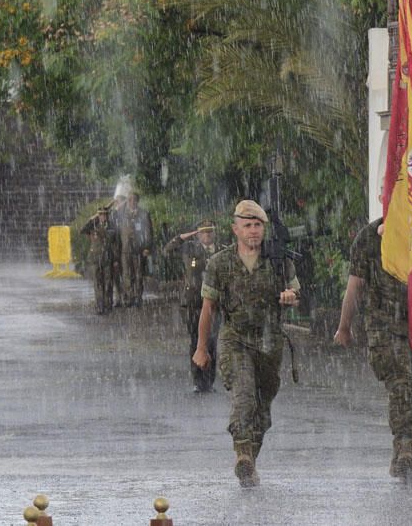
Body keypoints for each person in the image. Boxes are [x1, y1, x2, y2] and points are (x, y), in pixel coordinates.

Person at [193, 200, 299, 488]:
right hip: (235, 338)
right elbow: (208, 308)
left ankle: (249, 459)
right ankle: (242, 451)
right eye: (248, 226)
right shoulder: (220, 263)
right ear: (235, 229)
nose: (253, 231)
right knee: (243, 395)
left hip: (269, 341)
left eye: (258, 225)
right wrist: (202, 347)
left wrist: (290, 297)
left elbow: (295, 292)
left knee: (262, 409)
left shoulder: (278, 260)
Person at [334, 217, 412, 486]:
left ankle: (404, 447)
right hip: (383, 324)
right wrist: (344, 326)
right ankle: (406, 447)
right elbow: (355, 284)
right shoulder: (368, 237)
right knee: (401, 382)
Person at [164, 220, 219, 393]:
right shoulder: (190, 249)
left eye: (210, 232)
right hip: (193, 302)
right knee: (196, 341)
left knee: (211, 342)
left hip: (214, 303)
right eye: (203, 232)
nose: (207, 235)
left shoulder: (222, 250)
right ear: (198, 234)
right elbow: (167, 251)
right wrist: (182, 237)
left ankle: (209, 380)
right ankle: (198, 379)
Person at [113, 191, 153, 307]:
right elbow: (116, 232)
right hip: (125, 250)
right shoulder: (121, 213)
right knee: (127, 275)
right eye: (129, 200)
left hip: (139, 250)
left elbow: (149, 233)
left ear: (137, 201)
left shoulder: (144, 214)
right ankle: (129, 297)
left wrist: (147, 247)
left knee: (138, 275)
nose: (131, 202)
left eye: (134, 199)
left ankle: (138, 297)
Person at [80, 205, 119, 315]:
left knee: (108, 282)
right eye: (100, 214)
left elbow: (116, 244)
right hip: (95, 258)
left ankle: (108, 304)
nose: (103, 216)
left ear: (107, 215)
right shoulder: (93, 225)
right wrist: (92, 219)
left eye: (104, 214)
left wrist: (116, 259)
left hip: (108, 258)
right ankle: (100, 306)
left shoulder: (112, 226)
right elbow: (82, 230)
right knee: (98, 283)